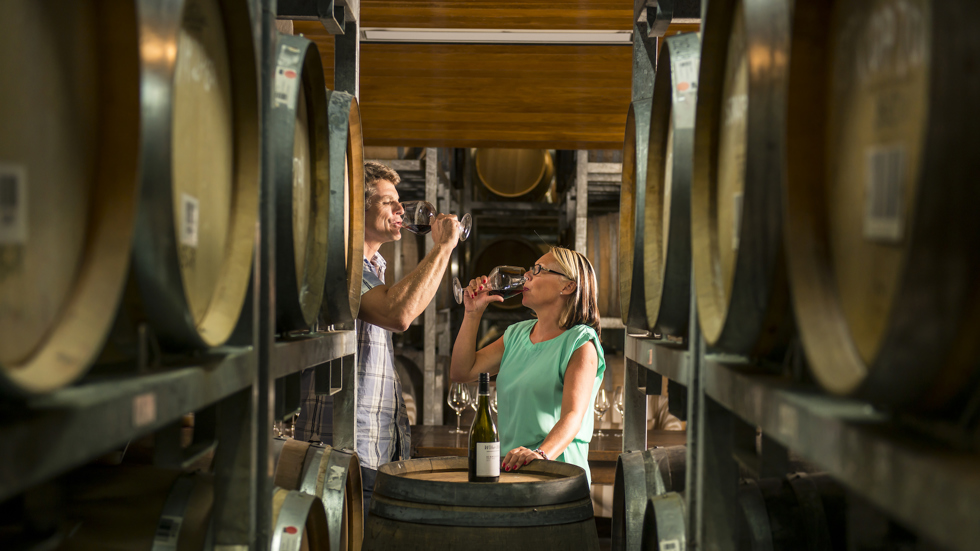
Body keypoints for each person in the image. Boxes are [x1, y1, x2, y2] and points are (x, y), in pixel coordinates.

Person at [295, 161, 461, 514]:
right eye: (388, 202)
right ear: (358, 206)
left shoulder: (375, 266)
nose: (401, 209)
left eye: (399, 201)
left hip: (371, 446)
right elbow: (397, 314)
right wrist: (443, 248)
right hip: (339, 447)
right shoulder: (340, 263)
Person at [450, 246, 606, 484]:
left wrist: (541, 454)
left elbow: (573, 415)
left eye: (538, 270)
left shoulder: (581, 343)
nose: (527, 276)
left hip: (556, 472)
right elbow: (462, 372)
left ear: (568, 286)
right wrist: (473, 314)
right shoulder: (516, 335)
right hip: (512, 468)